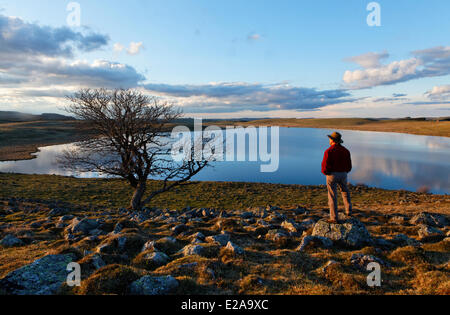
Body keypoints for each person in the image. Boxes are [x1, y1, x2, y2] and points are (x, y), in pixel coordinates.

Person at [321, 132, 353, 223]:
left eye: (330, 138)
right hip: (343, 174)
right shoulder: (346, 151)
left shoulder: (329, 151)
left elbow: (325, 166)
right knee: (345, 192)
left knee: (332, 195)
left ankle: (334, 218)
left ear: (333, 140)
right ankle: (348, 211)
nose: (329, 140)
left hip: (332, 175)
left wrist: (326, 173)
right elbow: (349, 166)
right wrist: (345, 172)